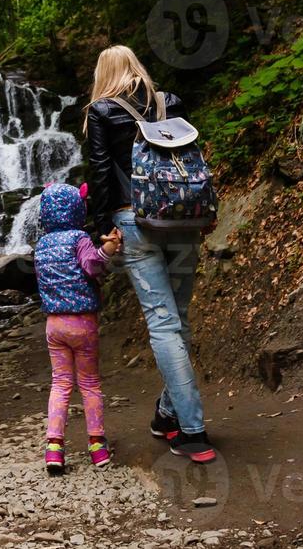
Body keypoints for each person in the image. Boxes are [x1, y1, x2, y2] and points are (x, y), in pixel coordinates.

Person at [84, 45, 216, 463]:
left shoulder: (101, 112)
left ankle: (193, 432)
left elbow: (101, 172)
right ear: (138, 68)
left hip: (135, 223)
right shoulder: (170, 102)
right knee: (179, 320)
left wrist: (99, 226)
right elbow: (190, 163)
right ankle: (166, 415)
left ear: (104, 75)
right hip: (183, 221)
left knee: (163, 325)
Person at [33, 181, 122, 476]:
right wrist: (108, 249)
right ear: (76, 209)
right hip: (83, 323)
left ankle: (54, 448)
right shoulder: (79, 238)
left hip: (53, 324)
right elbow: (92, 266)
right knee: (89, 383)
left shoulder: (42, 245)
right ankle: (97, 447)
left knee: (60, 383)